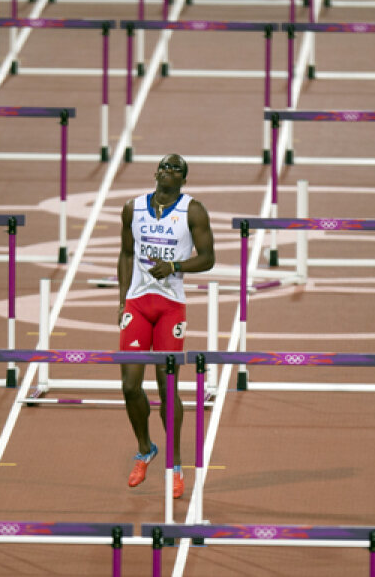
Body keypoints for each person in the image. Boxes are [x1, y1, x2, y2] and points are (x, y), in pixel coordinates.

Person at [118, 154, 215, 499]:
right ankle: (145, 449)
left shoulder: (193, 211)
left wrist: (174, 264)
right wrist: (121, 300)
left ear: (183, 180)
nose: (168, 171)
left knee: (166, 387)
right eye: (164, 166)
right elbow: (126, 254)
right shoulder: (133, 209)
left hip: (170, 307)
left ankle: (174, 466)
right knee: (129, 386)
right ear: (156, 172)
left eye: (176, 168)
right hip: (138, 303)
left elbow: (208, 257)